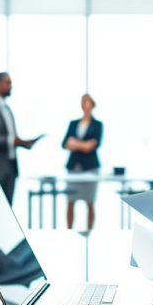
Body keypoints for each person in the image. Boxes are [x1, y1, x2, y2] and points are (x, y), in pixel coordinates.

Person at [0, 72, 40, 203]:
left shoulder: (8, 110)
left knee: (7, 208)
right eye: (8, 82)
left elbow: (11, 137)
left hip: (11, 167)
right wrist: (10, 141)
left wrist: (23, 143)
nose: (10, 86)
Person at [62, 93, 103, 230]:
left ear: (92, 105)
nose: (85, 105)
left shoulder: (97, 125)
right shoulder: (73, 123)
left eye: (87, 102)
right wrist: (83, 145)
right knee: (70, 202)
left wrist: (75, 143)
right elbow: (65, 144)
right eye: (83, 102)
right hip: (73, 167)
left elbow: (92, 146)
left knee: (90, 202)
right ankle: (69, 231)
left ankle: (89, 232)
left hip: (90, 168)